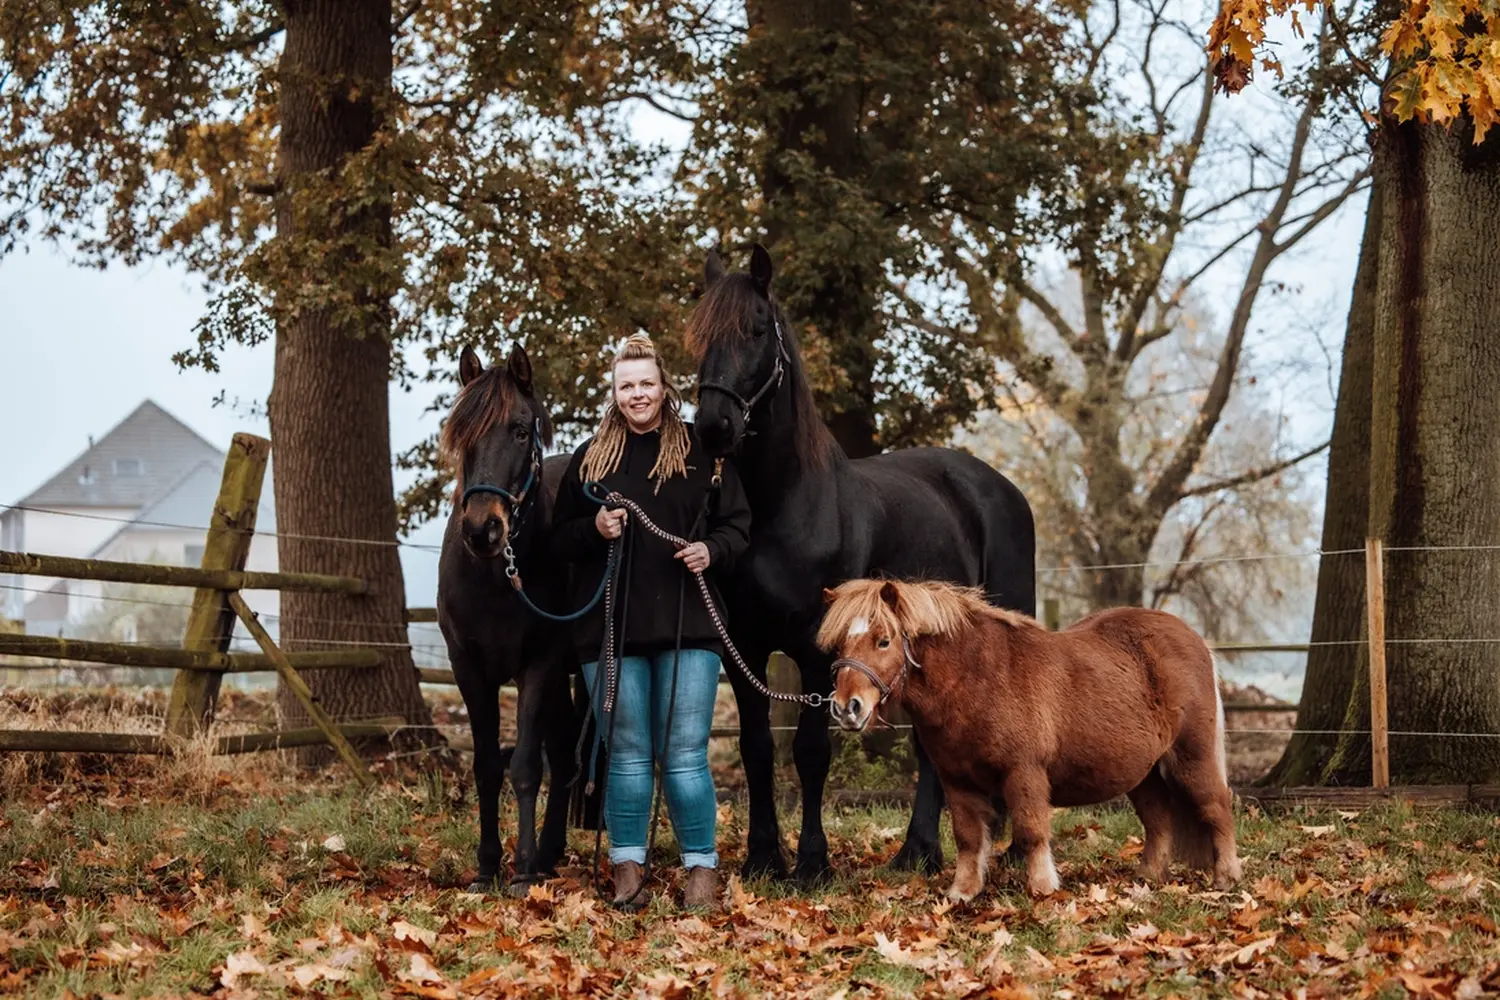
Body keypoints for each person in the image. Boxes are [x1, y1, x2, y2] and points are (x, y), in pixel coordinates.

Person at [551, 333, 751, 911]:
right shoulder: (592, 459)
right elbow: (559, 539)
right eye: (626, 386)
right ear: (614, 395)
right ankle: (627, 869)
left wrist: (712, 550)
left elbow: (739, 525)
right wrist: (595, 529)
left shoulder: (701, 454)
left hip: (691, 623)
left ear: (665, 388)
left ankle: (701, 871)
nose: (637, 394)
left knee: (685, 752)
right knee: (629, 753)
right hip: (610, 631)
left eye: (646, 383)